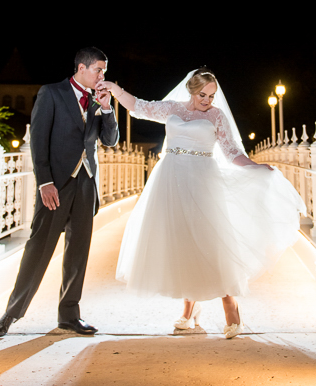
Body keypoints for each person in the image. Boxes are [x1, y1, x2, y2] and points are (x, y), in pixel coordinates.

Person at [98, 68, 304, 339]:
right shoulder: (171, 108)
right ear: (191, 91)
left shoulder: (216, 116)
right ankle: (189, 309)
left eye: (212, 95)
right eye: (202, 95)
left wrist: (254, 166)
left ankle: (231, 307)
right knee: (182, 243)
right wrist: (114, 88)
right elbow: (138, 107)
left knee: (210, 242)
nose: (207, 100)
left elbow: (231, 152)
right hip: (170, 180)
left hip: (203, 181)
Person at [0, 47, 119, 338]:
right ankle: (10, 315)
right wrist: (45, 182)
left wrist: (108, 109)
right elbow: (38, 141)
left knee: (78, 253)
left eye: (104, 71)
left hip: (86, 184)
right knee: (39, 249)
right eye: (99, 70)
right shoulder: (51, 93)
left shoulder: (99, 101)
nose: (103, 76)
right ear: (81, 68)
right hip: (56, 186)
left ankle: (69, 316)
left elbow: (110, 140)